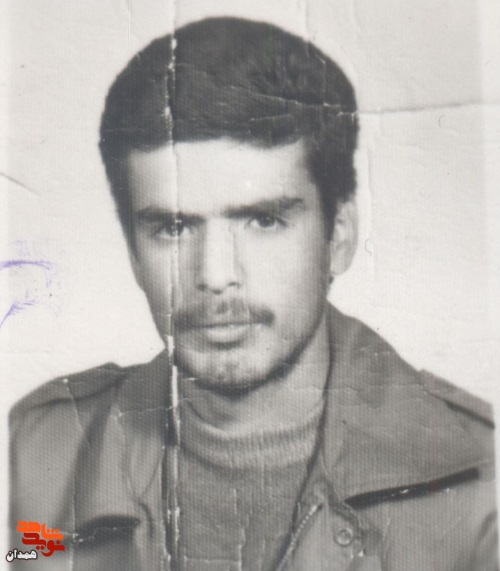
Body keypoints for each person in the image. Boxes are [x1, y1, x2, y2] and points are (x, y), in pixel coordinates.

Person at [9, 17, 498, 571]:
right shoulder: (34, 457)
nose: (216, 275)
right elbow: (22, 553)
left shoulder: (480, 488)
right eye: (174, 228)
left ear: (339, 237)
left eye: (263, 221)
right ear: (133, 254)